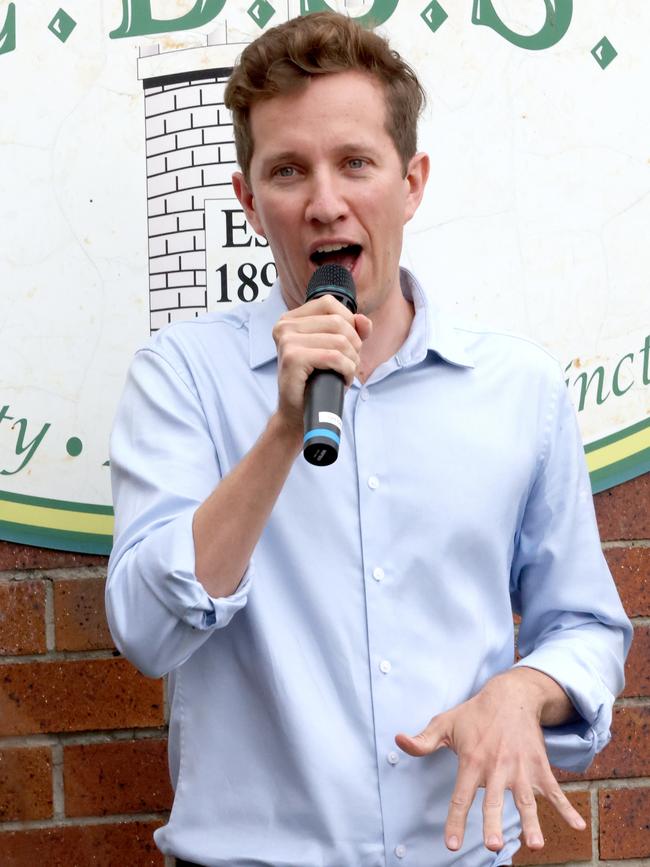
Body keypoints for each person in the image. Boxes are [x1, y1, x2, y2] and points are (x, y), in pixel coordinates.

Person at [106, 11, 631, 867]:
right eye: (287, 171)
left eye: (355, 162)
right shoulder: (182, 379)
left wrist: (525, 688)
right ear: (249, 200)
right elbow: (146, 632)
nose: (323, 202)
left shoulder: (519, 388)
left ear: (411, 181)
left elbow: (586, 624)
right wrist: (283, 428)